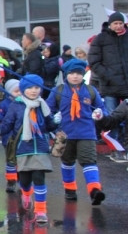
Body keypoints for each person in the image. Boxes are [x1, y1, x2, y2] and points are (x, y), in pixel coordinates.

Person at [0, 75, 56, 224]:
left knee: (39, 178)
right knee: (25, 180)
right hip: (22, 147)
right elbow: (8, 122)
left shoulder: (43, 105)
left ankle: (41, 211)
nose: (33, 91)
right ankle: (26, 194)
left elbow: (49, 125)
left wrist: (57, 122)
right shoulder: (16, 105)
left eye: (37, 88)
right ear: (23, 89)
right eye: (30, 88)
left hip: (40, 147)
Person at [46, 58, 107, 204]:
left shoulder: (91, 91)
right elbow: (47, 110)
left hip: (86, 133)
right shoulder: (58, 91)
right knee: (67, 161)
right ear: (66, 74)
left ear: (83, 74)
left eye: (79, 73)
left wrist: (99, 113)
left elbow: (102, 108)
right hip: (65, 134)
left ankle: (94, 190)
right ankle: (70, 189)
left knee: (89, 161)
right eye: (72, 73)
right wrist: (53, 119)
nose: (75, 76)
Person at [88, 12, 128, 159]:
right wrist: (107, 75)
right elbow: (94, 61)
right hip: (110, 86)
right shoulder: (101, 39)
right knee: (112, 119)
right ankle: (115, 149)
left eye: (120, 23)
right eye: (115, 23)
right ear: (110, 24)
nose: (118, 26)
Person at [0, 79, 21, 193]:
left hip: (20, 138)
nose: (19, 93)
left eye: (20, 91)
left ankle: (20, 178)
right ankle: (11, 181)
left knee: (21, 159)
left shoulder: (22, 103)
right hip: (8, 138)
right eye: (16, 91)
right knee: (10, 160)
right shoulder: (4, 104)